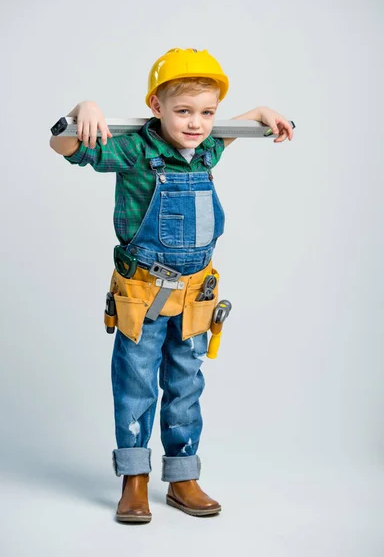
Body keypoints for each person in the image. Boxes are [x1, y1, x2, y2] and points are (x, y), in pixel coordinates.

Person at [49, 47, 294, 524]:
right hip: (142, 296)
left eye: (208, 113)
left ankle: (182, 478)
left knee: (186, 386)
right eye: (183, 111)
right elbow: (65, 147)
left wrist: (261, 113)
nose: (196, 123)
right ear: (155, 107)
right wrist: (83, 111)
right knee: (136, 386)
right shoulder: (135, 149)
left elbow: (232, 130)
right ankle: (134, 481)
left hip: (195, 298)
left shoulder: (206, 148)